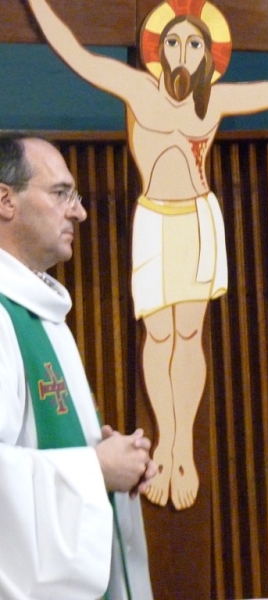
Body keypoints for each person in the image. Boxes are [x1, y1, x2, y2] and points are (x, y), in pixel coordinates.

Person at [24, 0, 268, 510]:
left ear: (207, 53)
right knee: (160, 332)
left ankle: (179, 449)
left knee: (189, 333)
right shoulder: (138, 89)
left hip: (197, 219)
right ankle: (167, 434)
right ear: (160, 50)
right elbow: (74, 52)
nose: (182, 50)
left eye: (194, 43)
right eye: (173, 41)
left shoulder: (211, 103)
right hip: (154, 219)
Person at [0, 134, 156, 599]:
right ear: (5, 200)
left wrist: (109, 457)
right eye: (61, 193)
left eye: (77, 196)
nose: (79, 212)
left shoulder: (39, 309)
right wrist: (93, 470)